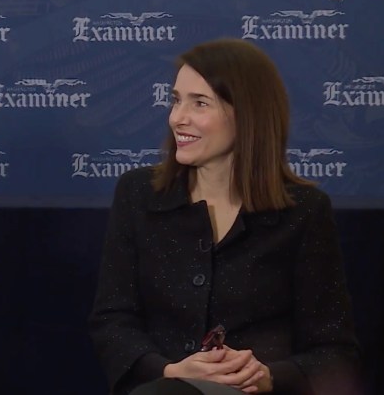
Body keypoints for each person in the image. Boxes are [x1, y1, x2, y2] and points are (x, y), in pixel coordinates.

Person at [89, 38, 361, 395]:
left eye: (200, 103)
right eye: (176, 100)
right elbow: (112, 321)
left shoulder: (304, 211)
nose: (177, 118)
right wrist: (170, 370)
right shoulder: (138, 194)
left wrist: (266, 376)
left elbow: (334, 351)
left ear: (247, 114)